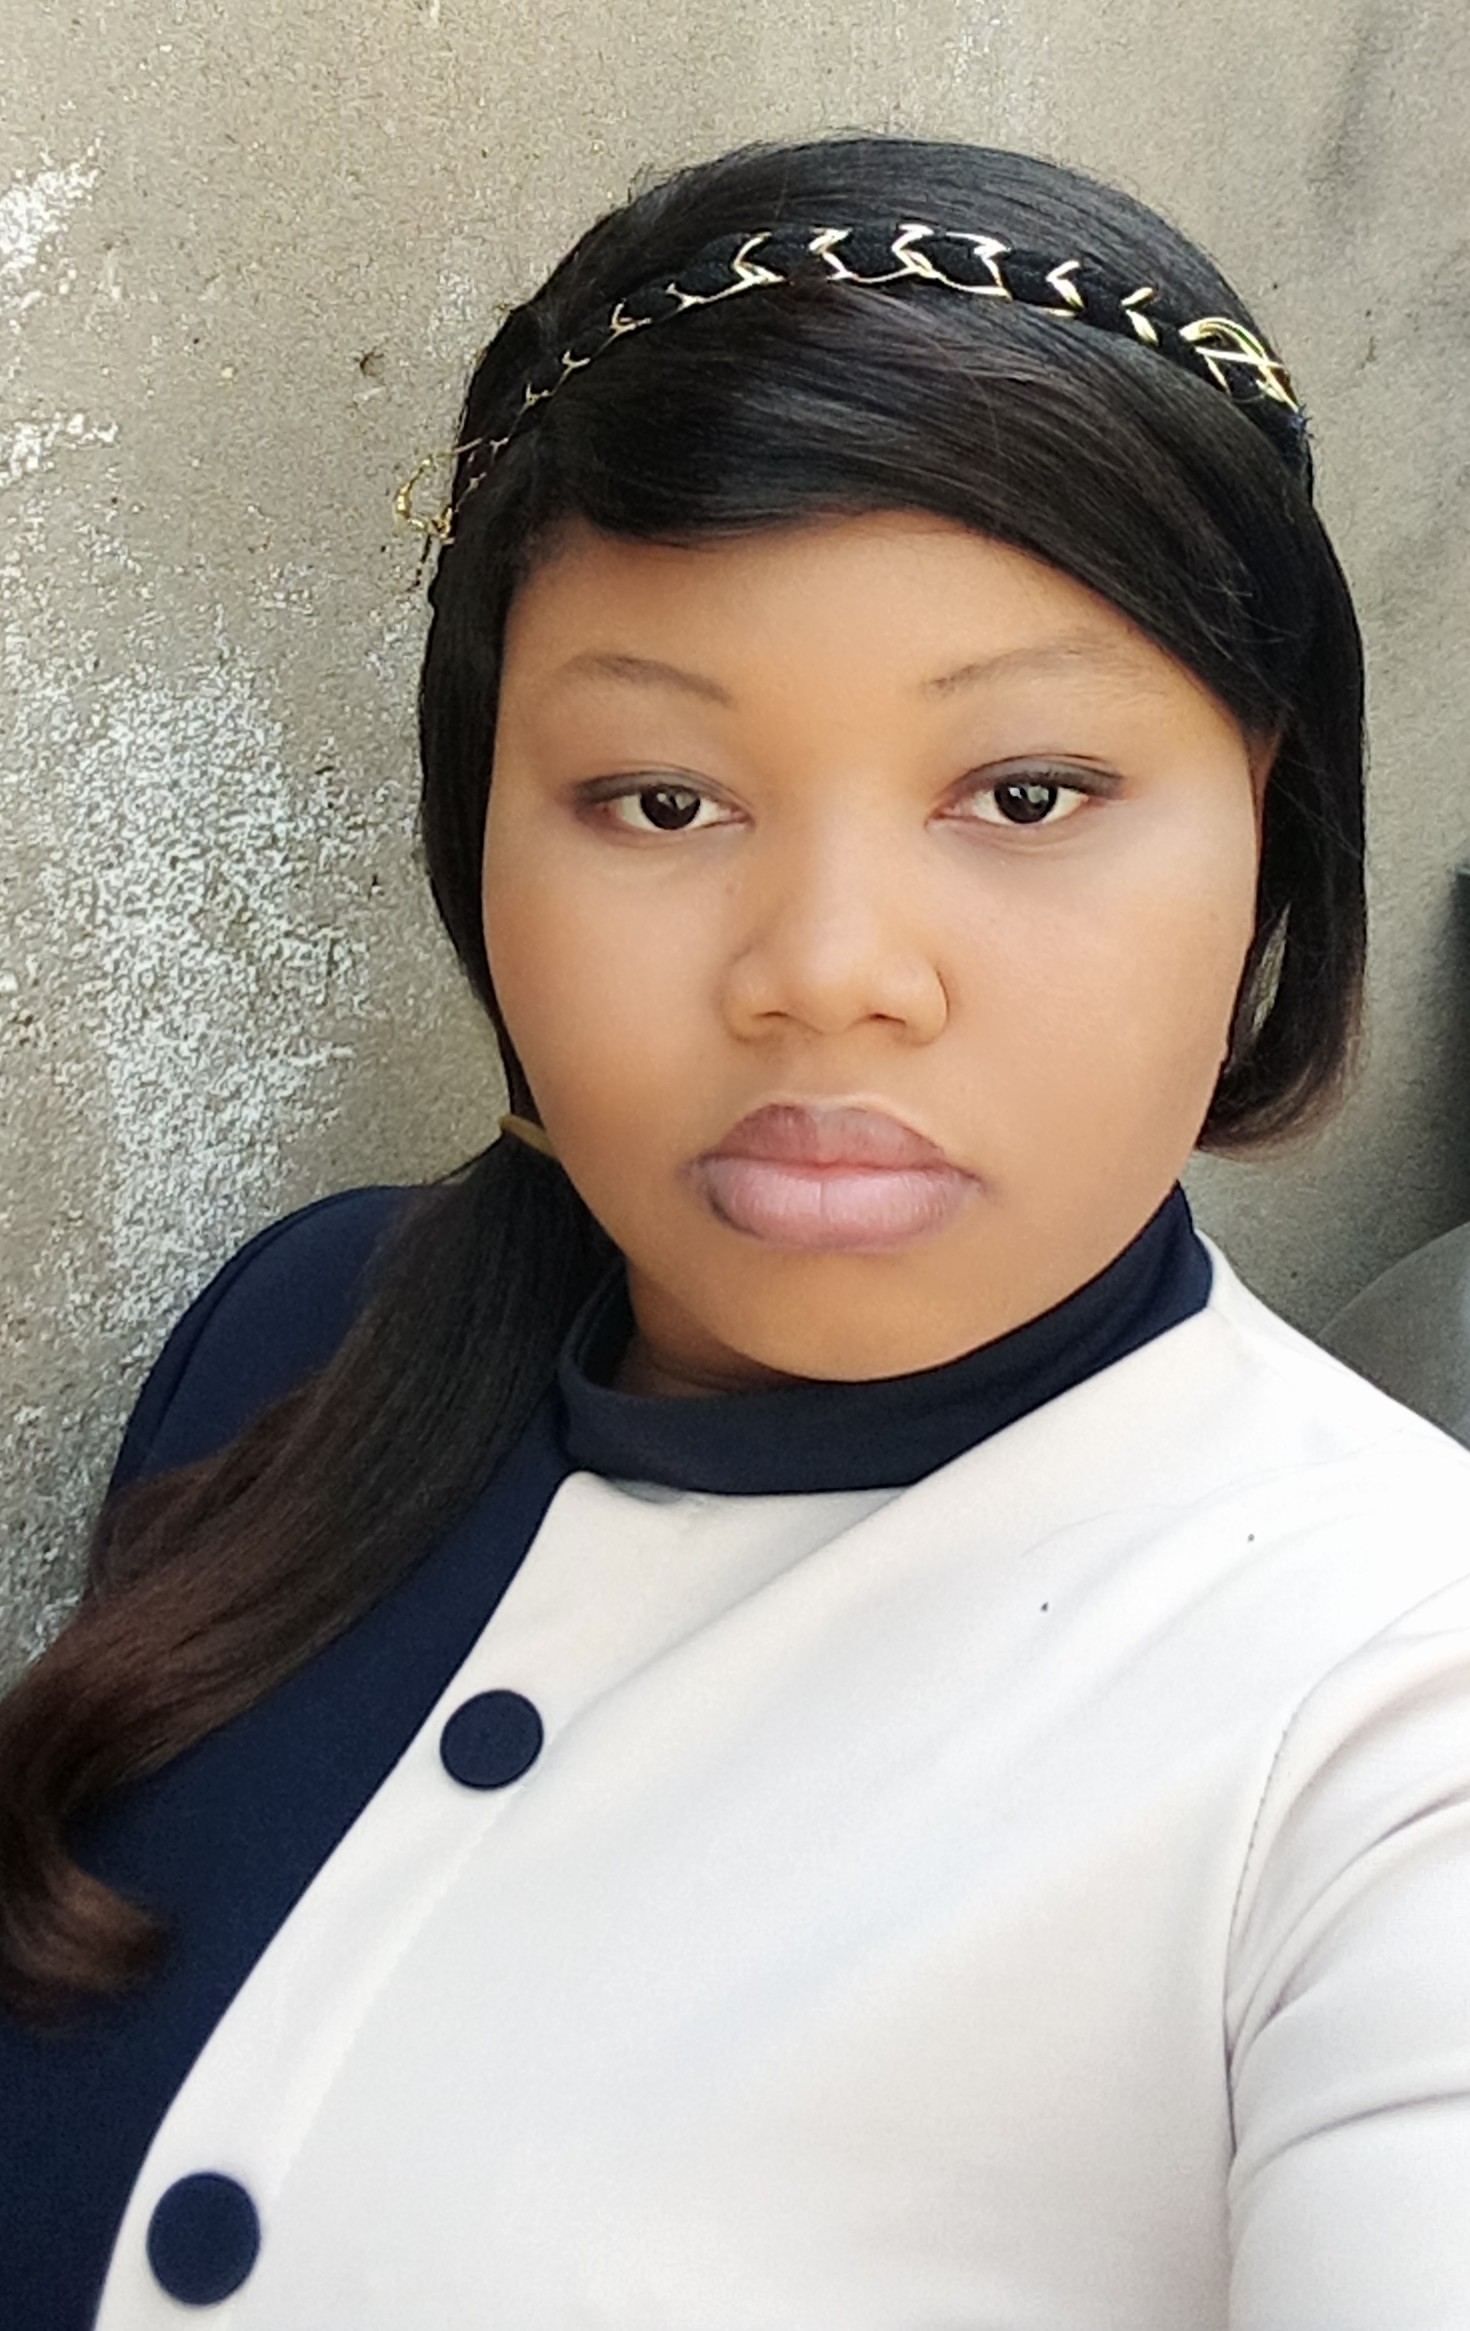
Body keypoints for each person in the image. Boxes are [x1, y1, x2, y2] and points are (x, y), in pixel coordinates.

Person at [2, 130, 1468, 2331]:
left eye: (1026, 793)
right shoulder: (306, 1331)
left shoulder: (1392, 1716)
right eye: (661, 798)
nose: (826, 972)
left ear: (1272, 823)